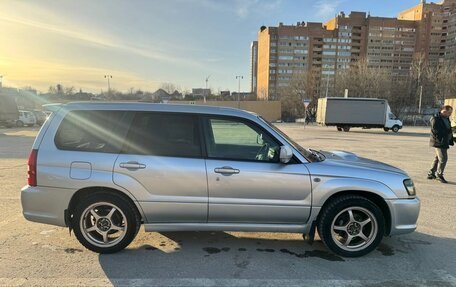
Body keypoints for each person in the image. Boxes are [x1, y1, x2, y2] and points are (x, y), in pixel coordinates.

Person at [428, 105, 454, 183]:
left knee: (438, 158)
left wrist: (452, 129)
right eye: (448, 112)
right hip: (439, 142)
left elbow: (448, 128)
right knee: (443, 159)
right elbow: (436, 131)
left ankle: (431, 173)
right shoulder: (435, 118)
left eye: (450, 113)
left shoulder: (446, 118)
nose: (449, 114)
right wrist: (450, 130)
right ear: (443, 111)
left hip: (444, 141)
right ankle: (439, 175)